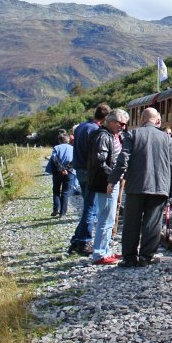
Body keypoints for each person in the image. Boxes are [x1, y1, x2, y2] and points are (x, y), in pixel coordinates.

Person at [109, 108, 172, 268]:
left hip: (136, 186)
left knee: (131, 222)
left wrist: (112, 180)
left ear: (142, 120)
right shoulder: (167, 139)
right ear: (158, 121)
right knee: (153, 223)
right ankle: (146, 257)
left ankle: (129, 258)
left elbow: (123, 159)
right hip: (159, 186)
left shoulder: (132, 135)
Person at [68, 103, 110, 255]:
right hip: (89, 170)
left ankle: (77, 239)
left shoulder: (80, 127)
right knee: (91, 208)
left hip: (79, 169)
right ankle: (84, 241)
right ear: (105, 118)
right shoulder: (95, 130)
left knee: (88, 206)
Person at [88, 109, 128, 265]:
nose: (123, 127)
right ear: (111, 121)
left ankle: (106, 250)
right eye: (121, 124)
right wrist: (114, 177)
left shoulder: (111, 135)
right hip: (106, 183)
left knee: (109, 217)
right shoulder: (103, 136)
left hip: (110, 181)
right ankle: (99, 254)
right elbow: (100, 162)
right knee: (106, 217)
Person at [45, 132, 74, 218]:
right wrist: (66, 169)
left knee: (56, 190)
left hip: (57, 172)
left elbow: (54, 158)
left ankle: (56, 209)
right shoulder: (73, 148)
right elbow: (74, 160)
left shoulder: (56, 148)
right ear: (68, 140)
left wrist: (61, 169)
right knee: (65, 192)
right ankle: (63, 213)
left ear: (59, 140)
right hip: (70, 172)